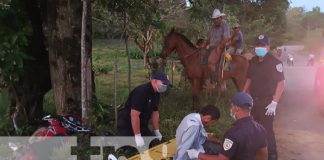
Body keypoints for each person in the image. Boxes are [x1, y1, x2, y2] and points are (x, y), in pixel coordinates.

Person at [186, 92, 268, 160]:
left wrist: (197, 154)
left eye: (232, 106)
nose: (231, 109)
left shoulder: (233, 133)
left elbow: (222, 159)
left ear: (236, 108)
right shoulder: (260, 129)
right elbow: (263, 154)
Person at [242, 34, 285, 160]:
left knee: (267, 129)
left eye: (262, 45)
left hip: (267, 102)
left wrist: (275, 102)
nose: (259, 47)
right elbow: (249, 79)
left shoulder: (275, 63)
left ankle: (272, 154)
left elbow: (281, 83)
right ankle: (257, 152)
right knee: (254, 127)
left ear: (268, 46)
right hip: (253, 101)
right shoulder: (253, 62)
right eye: (257, 45)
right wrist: (243, 94)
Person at [117, 71, 170, 147]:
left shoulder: (157, 93)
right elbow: (134, 115)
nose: (165, 86)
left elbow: (155, 112)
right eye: (163, 83)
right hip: (127, 124)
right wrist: (137, 136)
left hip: (142, 124)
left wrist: (156, 130)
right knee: (131, 149)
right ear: (154, 81)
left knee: (150, 144)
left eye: (166, 84)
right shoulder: (141, 92)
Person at [206, 9, 230, 84]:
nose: (215, 20)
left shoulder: (225, 26)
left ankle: (215, 79)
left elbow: (226, 38)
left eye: (217, 18)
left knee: (211, 61)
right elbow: (209, 39)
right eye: (214, 19)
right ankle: (205, 78)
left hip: (221, 47)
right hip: (212, 47)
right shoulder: (212, 28)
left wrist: (219, 47)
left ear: (221, 18)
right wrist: (205, 45)